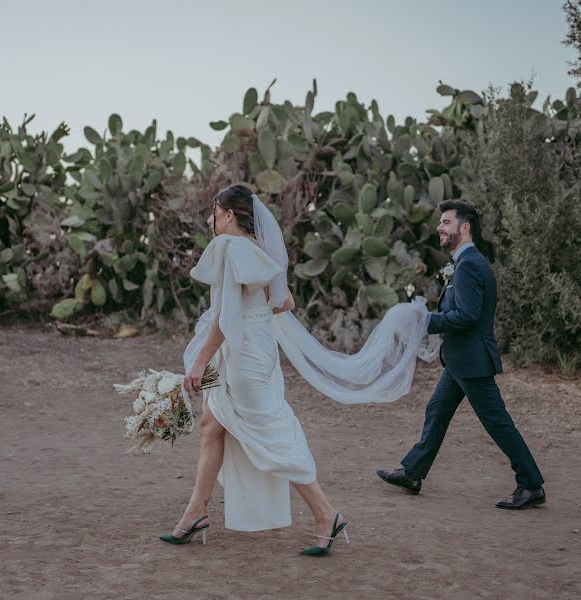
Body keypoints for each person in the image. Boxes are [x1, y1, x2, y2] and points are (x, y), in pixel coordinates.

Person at [161, 185, 347, 556]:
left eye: (214, 211)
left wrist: (200, 360)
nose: (210, 219)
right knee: (212, 425)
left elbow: (225, 318)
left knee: (272, 435)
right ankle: (195, 512)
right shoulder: (258, 250)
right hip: (256, 349)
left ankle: (326, 514)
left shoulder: (231, 248)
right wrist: (255, 317)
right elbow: (285, 302)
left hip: (245, 357)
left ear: (230, 214)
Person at [376, 200, 546, 510]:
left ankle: (531, 484)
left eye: (446, 222)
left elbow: (467, 315)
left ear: (464, 228)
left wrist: (426, 321)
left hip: (471, 360)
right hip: (459, 360)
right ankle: (413, 473)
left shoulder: (469, 265)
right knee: (436, 412)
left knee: (497, 423)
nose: (439, 228)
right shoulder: (464, 263)